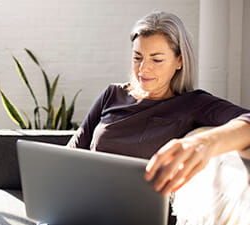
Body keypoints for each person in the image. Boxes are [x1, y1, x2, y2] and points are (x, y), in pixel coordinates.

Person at [67, 11, 250, 197]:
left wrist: (205, 142)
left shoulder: (193, 103)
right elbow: (70, 156)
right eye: (137, 57)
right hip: (86, 203)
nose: (144, 69)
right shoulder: (112, 94)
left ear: (179, 61)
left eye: (156, 59)